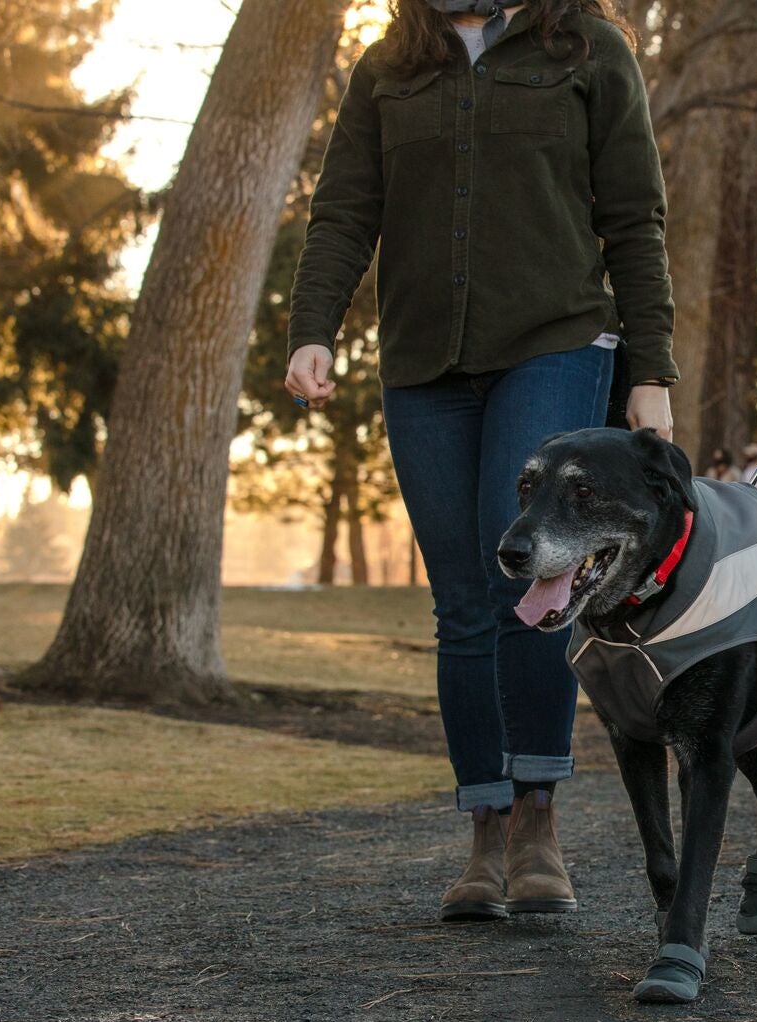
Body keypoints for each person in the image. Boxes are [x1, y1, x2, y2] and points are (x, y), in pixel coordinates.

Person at [284, 0, 677, 922]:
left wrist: (651, 370)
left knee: (529, 583)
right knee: (461, 601)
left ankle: (538, 818)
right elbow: (345, 210)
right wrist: (313, 328)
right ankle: (484, 827)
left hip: (555, 345)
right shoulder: (389, 64)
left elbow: (633, 216)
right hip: (423, 362)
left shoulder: (586, 47)